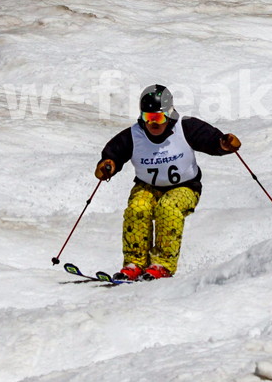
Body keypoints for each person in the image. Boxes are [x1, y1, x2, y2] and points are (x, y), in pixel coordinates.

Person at [94, 85, 240, 281]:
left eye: (158, 118)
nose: (153, 124)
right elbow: (115, 152)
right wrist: (108, 164)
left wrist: (224, 145)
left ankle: (162, 265)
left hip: (185, 187)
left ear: (169, 115)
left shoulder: (185, 127)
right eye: (148, 118)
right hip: (146, 187)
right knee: (138, 208)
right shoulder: (134, 135)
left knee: (168, 207)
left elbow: (211, 141)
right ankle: (134, 264)